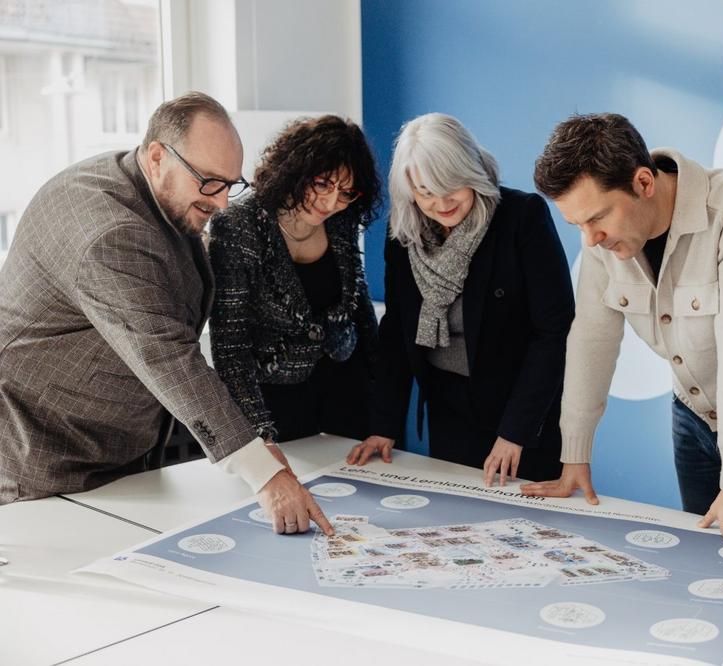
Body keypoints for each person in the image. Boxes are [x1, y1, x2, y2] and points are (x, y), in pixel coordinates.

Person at [0, 91, 333, 537]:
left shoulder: (151, 186)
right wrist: (265, 475)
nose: (222, 203)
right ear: (158, 156)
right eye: (210, 182)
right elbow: (169, 356)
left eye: (231, 184)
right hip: (46, 458)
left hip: (120, 450)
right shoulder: (111, 234)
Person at [522, 113, 723, 551]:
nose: (590, 240)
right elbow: (591, 339)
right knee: (704, 558)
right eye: (577, 225)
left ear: (644, 182)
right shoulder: (603, 240)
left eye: (597, 218)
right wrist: (574, 455)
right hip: (693, 415)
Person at [346, 113, 574, 485]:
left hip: (521, 409)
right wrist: (384, 425)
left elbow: (554, 331)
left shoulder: (521, 217)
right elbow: (397, 330)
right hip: (449, 410)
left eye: (450, 184)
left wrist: (515, 431)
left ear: (471, 171)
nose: (441, 202)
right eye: (425, 191)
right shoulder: (403, 234)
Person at [209, 115, 380, 444]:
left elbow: (360, 310)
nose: (331, 202)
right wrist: (259, 436)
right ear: (295, 170)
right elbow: (231, 347)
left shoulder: (342, 218)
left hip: (349, 389)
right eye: (322, 184)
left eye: (346, 191)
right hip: (277, 400)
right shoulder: (239, 226)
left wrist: (384, 411)